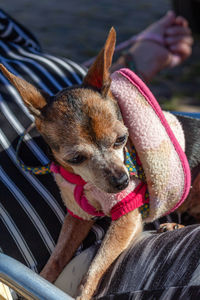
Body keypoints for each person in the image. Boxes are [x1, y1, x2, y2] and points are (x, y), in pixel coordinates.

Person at [0, 7, 197, 300]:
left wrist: (134, 61)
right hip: (49, 276)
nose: (116, 173)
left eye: (119, 141)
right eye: (78, 158)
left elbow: (85, 102)